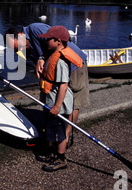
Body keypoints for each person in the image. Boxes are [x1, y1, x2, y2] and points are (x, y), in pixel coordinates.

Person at [5, 23, 89, 159]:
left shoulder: (35, 29)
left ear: (21, 36)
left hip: (73, 65)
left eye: (19, 47)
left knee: (74, 101)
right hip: (54, 71)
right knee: (48, 101)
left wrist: (41, 57)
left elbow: (63, 41)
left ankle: (65, 138)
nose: (20, 51)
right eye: (15, 50)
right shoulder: (22, 50)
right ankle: (53, 137)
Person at [37, 25, 83, 171]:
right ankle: (55, 153)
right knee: (53, 130)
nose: (46, 42)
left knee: (59, 133)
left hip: (60, 104)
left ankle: (61, 158)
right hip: (53, 101)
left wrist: (57, 106)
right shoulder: (52, 54)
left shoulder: (61, 61)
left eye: (49, 39)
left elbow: (63, 85)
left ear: (58, 41)